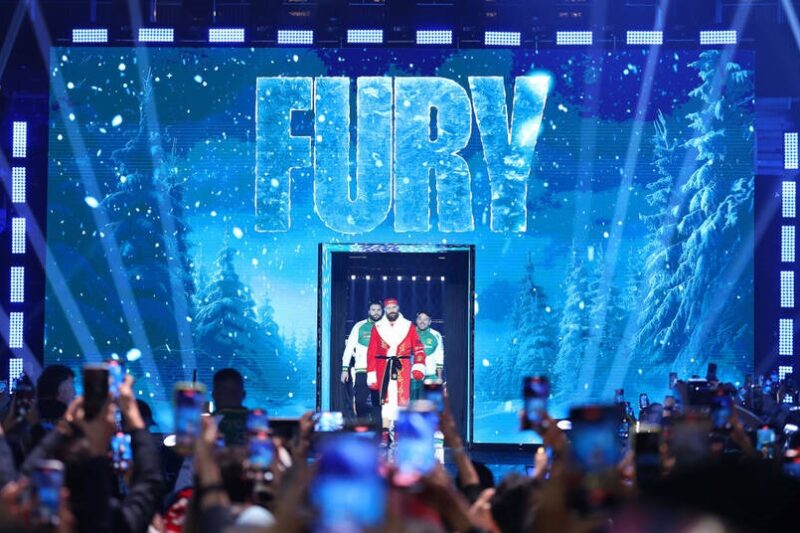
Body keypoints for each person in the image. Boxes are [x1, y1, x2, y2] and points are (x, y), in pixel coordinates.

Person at [366, 298, 427, 424]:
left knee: (402, 400)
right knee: (385, 400)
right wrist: (371, 374)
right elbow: (371, 352)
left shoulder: (409, 326)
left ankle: (400, 431)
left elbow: (419, 348)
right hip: (383, 367)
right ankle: (385, 431)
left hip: (402, 367)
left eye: (394, 307)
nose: (392, 310)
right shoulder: (377, 327)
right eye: (389, 308)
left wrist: (419, 365)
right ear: (385, 310)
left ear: (398, 308)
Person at [341, 302, 383, 420]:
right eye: (373, 310)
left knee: (378, 403)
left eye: (378, 310)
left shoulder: (387, 327)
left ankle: (378, 428)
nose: (376, 312)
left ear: (382, 311)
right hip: (362, 370)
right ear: (369, 311)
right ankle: (361, 426)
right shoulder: (359, 326)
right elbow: (349, 349)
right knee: (360, 401)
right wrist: (344, 369)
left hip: (380, 371)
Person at [413, 311, 445, 400]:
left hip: (430, 375)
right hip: (414, 377)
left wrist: (439, 378)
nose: (422, 322)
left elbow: (439, 356)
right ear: (416, 320)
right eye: (420, 319)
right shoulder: (410, 333)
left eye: (425, 319)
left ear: (430, 322)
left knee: (432, 404)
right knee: (414, 403)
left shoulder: (436, 335)